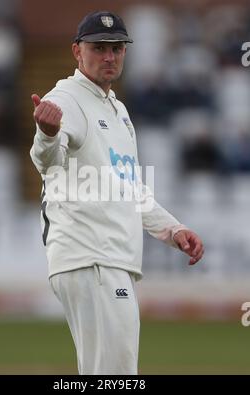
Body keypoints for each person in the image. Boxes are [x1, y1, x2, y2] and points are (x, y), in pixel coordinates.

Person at [30, 11, 204, 375]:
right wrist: (46, 134)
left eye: (117, 48)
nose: (109, 56)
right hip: (91, 255)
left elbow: (128, 188)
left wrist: (172, 230)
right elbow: (48, 160)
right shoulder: (67, 98)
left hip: (108, 259)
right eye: (99, 47)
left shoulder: (118, 109)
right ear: (77, 51)